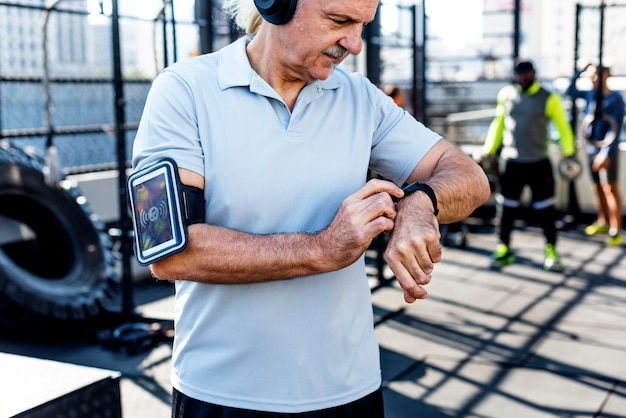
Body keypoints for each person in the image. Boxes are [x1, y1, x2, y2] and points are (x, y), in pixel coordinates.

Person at [131, 0, 490, 415]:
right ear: (274, 4)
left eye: (362, 25)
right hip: (220, 393)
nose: (354, 44)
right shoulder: (182, 90)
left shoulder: (361, 98)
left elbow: (469, 176)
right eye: (339, 21)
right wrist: (322, 248)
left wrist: (420, 202)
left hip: (349, 389)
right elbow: (167, 252)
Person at [483, 60, 576, 271]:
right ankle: (503, 248)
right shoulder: (506, 95)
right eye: (519, 74)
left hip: (539, 162)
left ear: (533, 73)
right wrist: (489, 149)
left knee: (546, 210)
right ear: (515, 75)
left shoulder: (549, 97)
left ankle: (551, 251)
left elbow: (562, 125)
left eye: (526, 73)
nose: (523, 77)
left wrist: (570, 152)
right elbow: (499, 123)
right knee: (506, 208)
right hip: (512, 162)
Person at [566, 63, 625, 246]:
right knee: (597, 187)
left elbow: (615, 128)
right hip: (592, 148)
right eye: (590, 75)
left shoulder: (615, 99)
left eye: (596, 75)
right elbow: (570, 91)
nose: (592, 79)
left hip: (607, 151)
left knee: (610, 189)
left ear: (605, 75)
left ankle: (616, 229)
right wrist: (579, 72)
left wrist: (605, 153)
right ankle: (603, 221)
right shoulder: (591, 95)